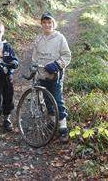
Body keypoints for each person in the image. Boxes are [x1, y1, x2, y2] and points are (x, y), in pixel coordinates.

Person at [32, 11, 71, 143]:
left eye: (49, 22)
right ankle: (52, 122)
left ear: (53, 23)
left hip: (55, 75)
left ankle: (63, 128)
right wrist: (34, 67)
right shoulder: (38, 39)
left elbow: (67, 56)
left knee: (58, 100)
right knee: (47, 100)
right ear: (41, 24)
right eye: (44, 22)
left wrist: (57, 64)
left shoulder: (60, 38)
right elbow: (35, 57)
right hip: (42, 75)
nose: (47, 25)